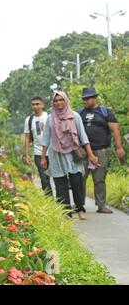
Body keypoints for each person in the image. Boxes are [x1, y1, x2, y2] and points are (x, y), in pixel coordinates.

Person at [40, 91, 99, 220]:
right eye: (56, 101)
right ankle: (66, 211)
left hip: (73, 153)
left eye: (61, 100)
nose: (58, 103)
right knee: (60, 183)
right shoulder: (50, 118)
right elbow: (45, 139)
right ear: (53, 103)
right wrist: (43, 157)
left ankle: (80, 209)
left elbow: (83, 137)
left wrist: (91, 155)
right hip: (55, 153)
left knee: (77, 181)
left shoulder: (74, 116)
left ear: (66, 101)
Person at [78, 87, 126, 214]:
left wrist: (119, 147)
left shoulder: (105, 112)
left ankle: (101, 205)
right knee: (80, 177)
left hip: (101, 151)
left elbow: (115, 130)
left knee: (99, 178)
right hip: (83, 151)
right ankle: (79, 204)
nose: (85, 101)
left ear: (95, 98)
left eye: (87, 98)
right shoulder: (79, 113)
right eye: (84, 99)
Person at [24, 96, 52, 195]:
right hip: (38, 153)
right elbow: (27, 137)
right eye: (33, 104)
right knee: (44, 179)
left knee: (58, 178)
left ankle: (61, 203)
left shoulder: (49, 117)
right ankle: (50, 201)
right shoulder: (29, 119)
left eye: (37, 104)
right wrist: (26, 154)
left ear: (43, 105)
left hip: (52, 151)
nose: (35, 106)